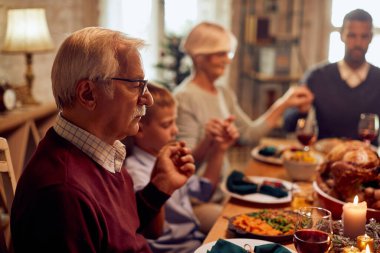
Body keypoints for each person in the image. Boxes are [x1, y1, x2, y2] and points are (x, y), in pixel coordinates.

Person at [10, 27, 195, 253]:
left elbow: (121, 232)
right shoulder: (64, 193)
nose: (147, 98)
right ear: (88, 94)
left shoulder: (102, 151)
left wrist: (161, 185)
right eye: (135, 84)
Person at [173, 22, 313, 228]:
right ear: (199, 57)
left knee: (280, 214)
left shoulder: (223, 93)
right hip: (198, 201)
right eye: (220, 54)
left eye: (227, 54)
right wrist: (209, 142)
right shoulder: (184, 98)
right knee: (254, 226)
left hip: (225, 189)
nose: (226, 60)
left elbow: (248, 134)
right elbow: (184, 164)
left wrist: (284, 103)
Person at [125, 83, 238, 253]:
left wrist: (219, 150)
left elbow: (204, 191)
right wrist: (160, 182)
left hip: (194, 240)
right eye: (166, 125)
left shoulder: (168, 159)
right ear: (139, 129)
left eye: (175, 122)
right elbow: (153, 231)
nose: (175, 130)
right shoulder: (135, 172)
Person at [283, 9, 380, 145]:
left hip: (367, 160)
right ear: (342, 36)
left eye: (364, 36)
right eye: (352, 35)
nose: (358, 43)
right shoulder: (317, 76)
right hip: (325, 158)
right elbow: (288, 125)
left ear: (370, 38)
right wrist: (301, 112)